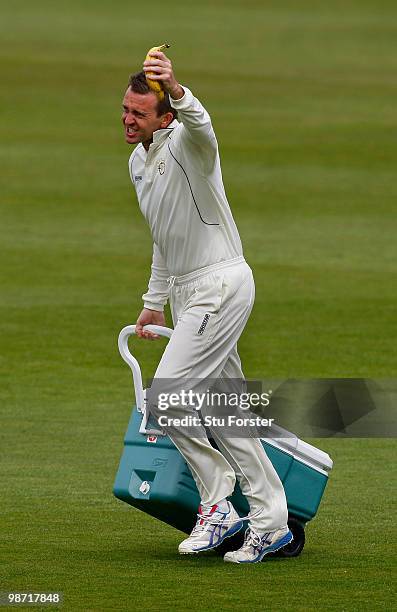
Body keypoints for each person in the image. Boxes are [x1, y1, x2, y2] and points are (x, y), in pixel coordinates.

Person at [122, 49, 292, 563]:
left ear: (165, 117)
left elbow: (202, 122)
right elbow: (164, 237)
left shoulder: (191, 143)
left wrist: (175, 87)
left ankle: (217, 503)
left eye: (139, 113)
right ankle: (271, 522)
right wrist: (154, 304)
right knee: (228, 413)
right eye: (125, 111)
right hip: (184, 291)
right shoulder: (138, 160)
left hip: (220, 284)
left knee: (166, 400)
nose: (128, 120)